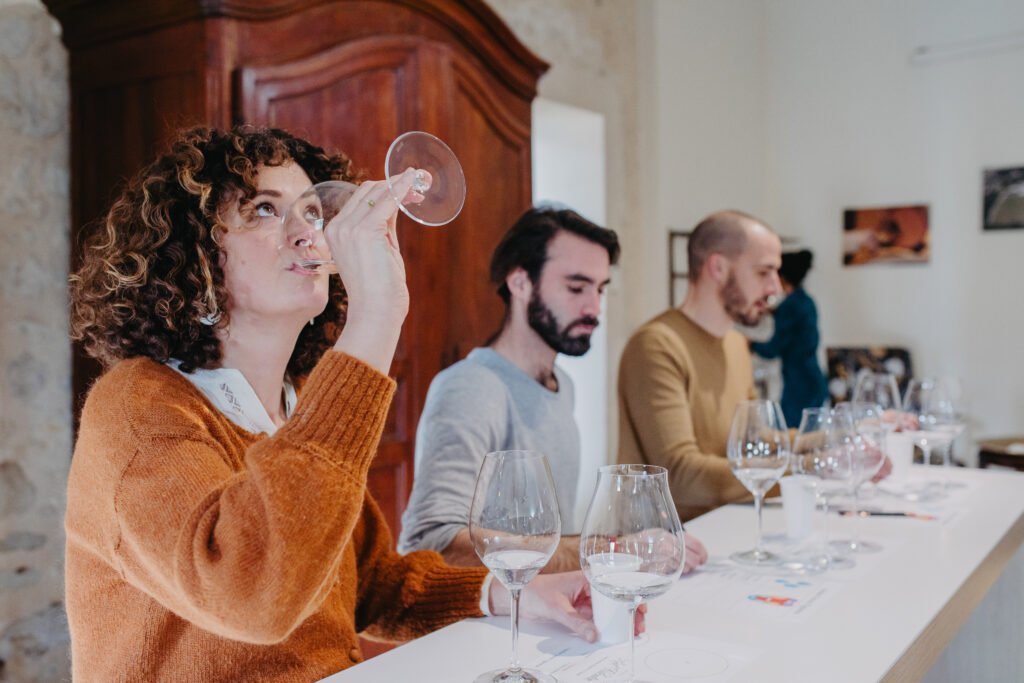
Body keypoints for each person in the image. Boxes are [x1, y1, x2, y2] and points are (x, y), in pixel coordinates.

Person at [65, 126, 599, 681]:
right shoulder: (136, 407)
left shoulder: (295, 406)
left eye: (313, 213)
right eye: (265, 211)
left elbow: (371, 582)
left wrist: (508, 593)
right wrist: (375, 317)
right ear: (190, 251)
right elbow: (251, 593)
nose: (308, 234)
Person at [398, 207, 708, 573]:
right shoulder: (471, 387)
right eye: (576, 287)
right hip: (490, 623)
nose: (594, 308)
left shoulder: (563, 387)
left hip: (546, 611)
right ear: (520, 283)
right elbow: (432, 544)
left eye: (600, 289)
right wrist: (607, 550)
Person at [617, 210, 784, 522]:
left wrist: (837, 441)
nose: (775, 288)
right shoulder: (656, 345)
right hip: (663, 550)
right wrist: (803, 469)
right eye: (764, 273)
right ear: (718, 267)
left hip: (725, 529)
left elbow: (757, 442)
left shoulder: (736, 344)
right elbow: (680, 476)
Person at [751, 249, 829, 428]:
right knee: (809, 437)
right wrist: (776, 313)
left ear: (782, 278)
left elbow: (773, 349)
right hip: (813, 378)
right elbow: (797, 329)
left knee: (791, 437)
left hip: (799, 384)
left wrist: (750, 344)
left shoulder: (788, 306)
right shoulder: (806, 301)